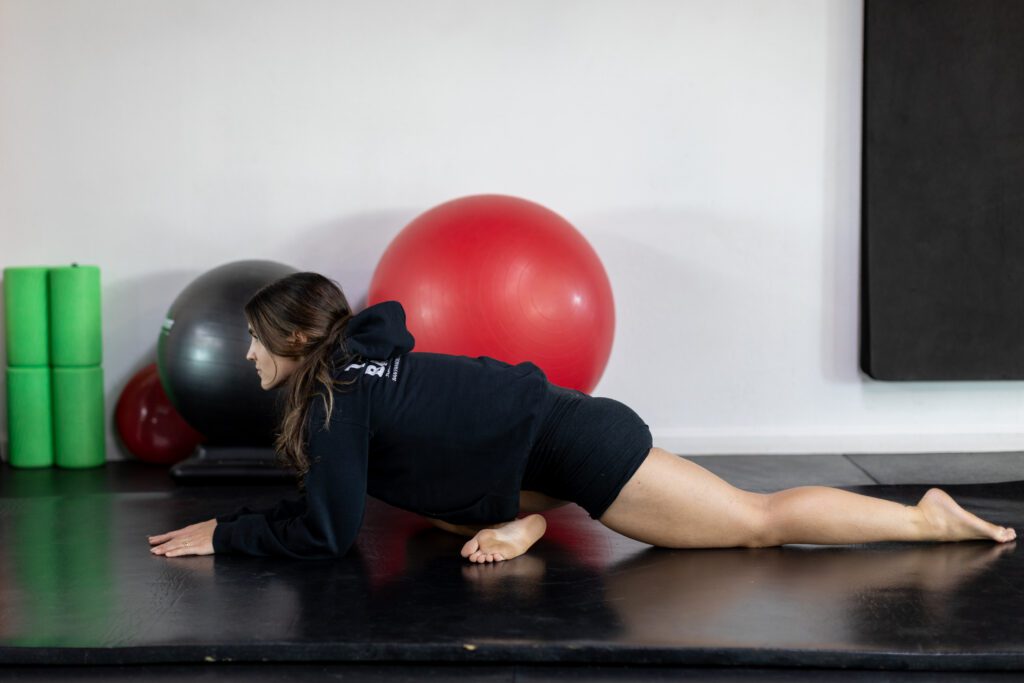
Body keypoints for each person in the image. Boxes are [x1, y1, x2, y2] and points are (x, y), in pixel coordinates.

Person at [148, 272, 1017, 562]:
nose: (249, 356)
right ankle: (522, 521)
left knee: (756, 523)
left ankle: (922, 518)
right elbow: (351, 492)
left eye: (259, 341)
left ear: (300, 338)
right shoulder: (355, 368)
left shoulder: (340, 391)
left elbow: (329, 532)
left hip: (581, 444)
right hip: (547, 439)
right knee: (439, 496)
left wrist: (226, 534)